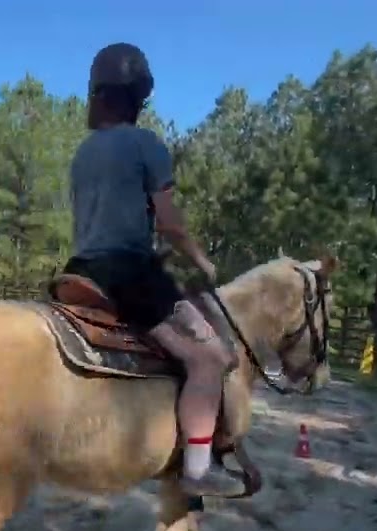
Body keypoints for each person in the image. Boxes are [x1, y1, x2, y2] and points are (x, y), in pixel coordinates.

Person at [62, 42, 239, 497]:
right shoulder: (146, 144)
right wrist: (202, 260)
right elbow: (170, 222)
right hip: (128, 273)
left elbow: (105, 222)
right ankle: (198, 469)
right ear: (137, 100)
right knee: (210, 358)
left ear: (100, 96)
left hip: (80, 269)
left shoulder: (84, 153)